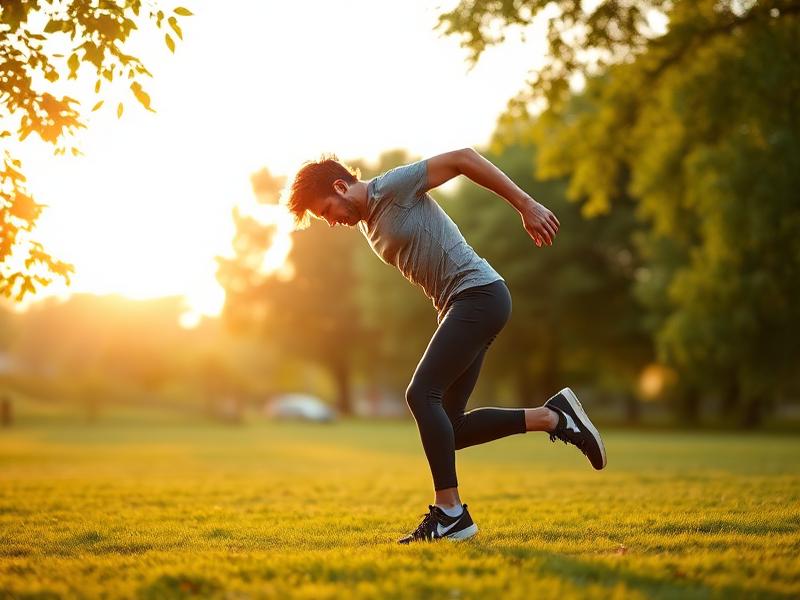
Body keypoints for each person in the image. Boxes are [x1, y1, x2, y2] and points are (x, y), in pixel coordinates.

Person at [282, 148, 606, 544]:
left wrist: (525, 204)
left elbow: (464, 159)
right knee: (452, 429)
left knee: (421, 394)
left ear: (339, 186)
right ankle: (554, 418)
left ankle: (451, 513)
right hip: (463, 304)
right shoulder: (369, 223)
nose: (332, 222)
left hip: (478, 295)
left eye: (327, 211)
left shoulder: (391, 188)